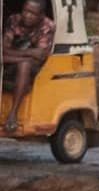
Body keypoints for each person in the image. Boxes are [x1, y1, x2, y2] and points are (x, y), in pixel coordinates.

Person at [1, 0, 55, 134]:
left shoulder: (47, 26)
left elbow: (40, 57)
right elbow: (3, 48)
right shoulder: (14, 20)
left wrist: (13, 56)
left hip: (36, 69)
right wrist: (29, 53)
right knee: (22, 61)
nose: (27, 15)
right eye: (25, 11)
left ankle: (13, 115)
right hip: (13, 62)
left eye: (32, 13)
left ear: (41, 16)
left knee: (25, 65)